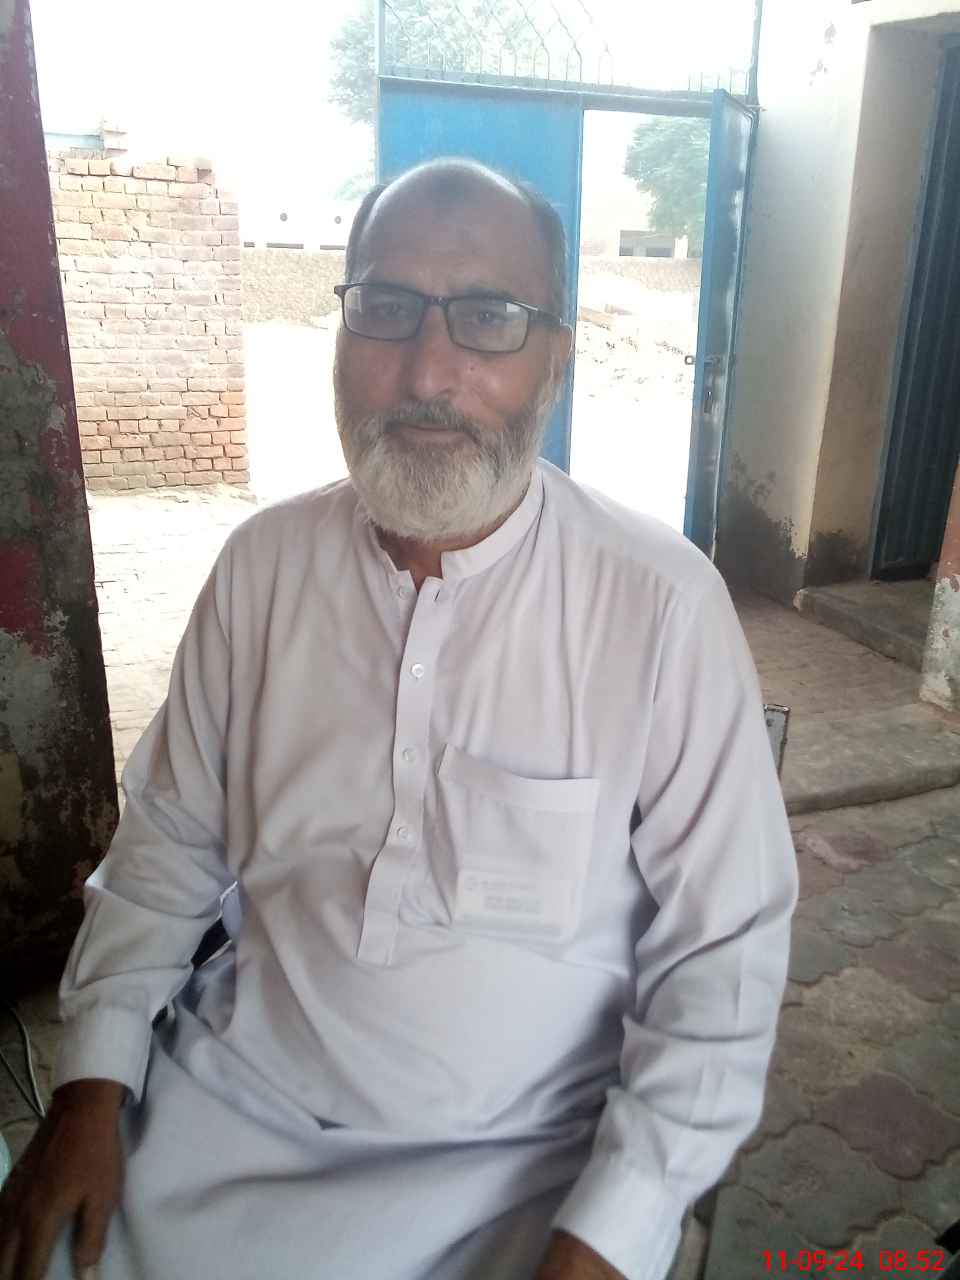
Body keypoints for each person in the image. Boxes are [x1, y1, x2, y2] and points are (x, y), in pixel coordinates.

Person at [0, 159, 797, 1280]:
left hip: (524, 1163)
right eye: (385, 306)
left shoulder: (660, 606)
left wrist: (610, 1232)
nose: (428, 371)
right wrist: (89, 1088)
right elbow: (167, 847)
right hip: (233, 1108)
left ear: (556, 359)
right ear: (338, 334)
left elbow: (724, 953)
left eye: (490, 318)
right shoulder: (262, 570)